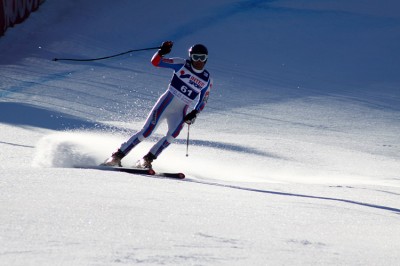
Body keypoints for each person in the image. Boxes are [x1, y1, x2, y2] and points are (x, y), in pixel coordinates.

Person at [102, 41, 213, 169]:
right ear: (190, 56)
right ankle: (117, 155)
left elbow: (203, 100)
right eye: (195, 57)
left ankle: (147, 159)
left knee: (173, 135)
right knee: (147, 132)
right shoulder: (181, 64)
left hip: (179, 111)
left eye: (202, 57)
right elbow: (156, 62)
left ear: (206, 59)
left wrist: (194, 112)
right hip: (165, 104)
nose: (198, 61)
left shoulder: (207, 79)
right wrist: (161, 53)